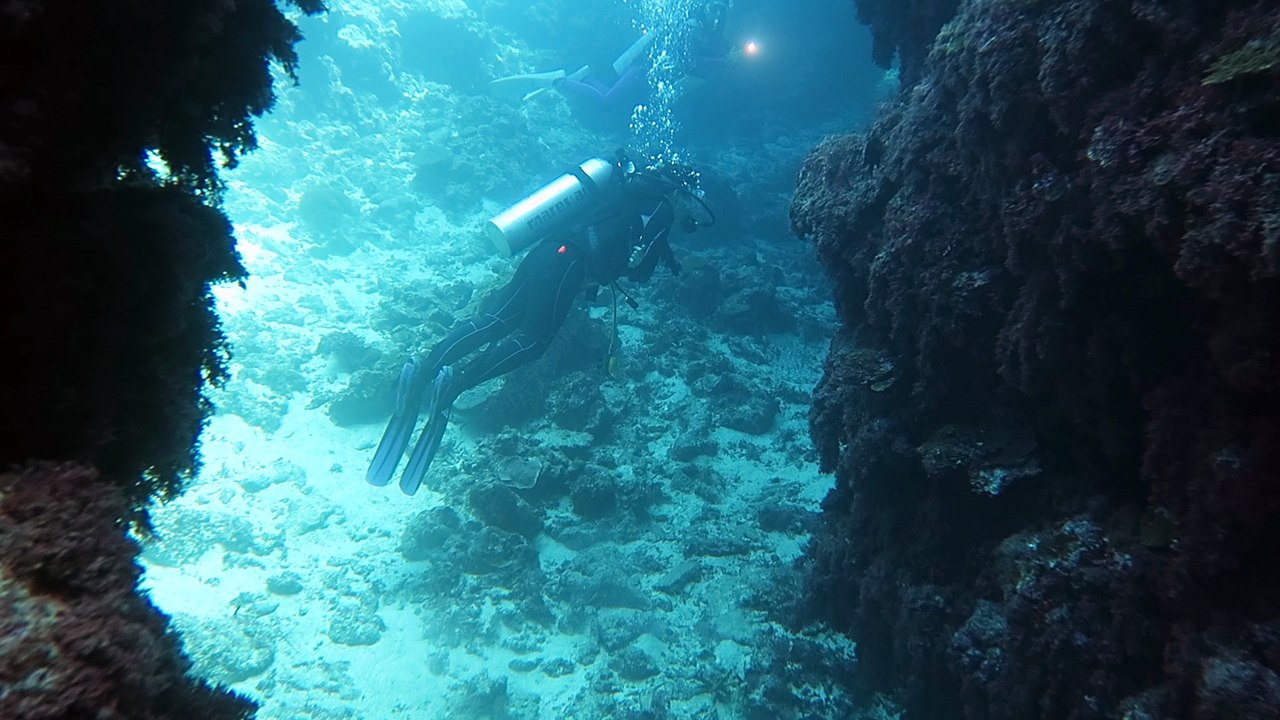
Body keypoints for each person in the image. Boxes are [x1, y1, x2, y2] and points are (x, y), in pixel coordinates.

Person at [366, 152, 714, 495]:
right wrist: (654, 253)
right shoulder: (663, 208)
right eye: (692, 204)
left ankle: (425, 371)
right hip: (569, 266)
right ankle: (455, 384)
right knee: (534, 341)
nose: (692, 214)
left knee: (494, 320)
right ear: (680, 191)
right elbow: (639, 273)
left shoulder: (621, 187)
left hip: (546, 251)